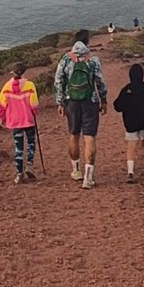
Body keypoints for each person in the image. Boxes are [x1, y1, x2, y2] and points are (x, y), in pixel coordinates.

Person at [53, 31, 108, 188]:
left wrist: (60, 103)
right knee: (89, 137)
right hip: (90, 102)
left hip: (72, 102)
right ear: (87, 42)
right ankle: (88, 178)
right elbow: (100, 82)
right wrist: (103, 100)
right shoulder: (93, 60)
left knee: (73, 135)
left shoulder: (65, 59)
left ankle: (76, 171)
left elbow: (58, 82)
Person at [113, 62, 144, 180]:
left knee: (131, 145)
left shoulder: (126, 89)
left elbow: (117, 106)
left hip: (130, 122)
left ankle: (130, 172)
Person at [0, 61, 40, 183]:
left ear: (13, 72)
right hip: (28, 120)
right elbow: (34, 104)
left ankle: (19, 174)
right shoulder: (30, 85)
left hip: (14, 121)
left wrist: (1, 117)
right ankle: (29, 165)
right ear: (24, 72)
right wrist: (35, 112)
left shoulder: (6, 86)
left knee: (18, 147)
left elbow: (1, 104)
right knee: (31, 143)